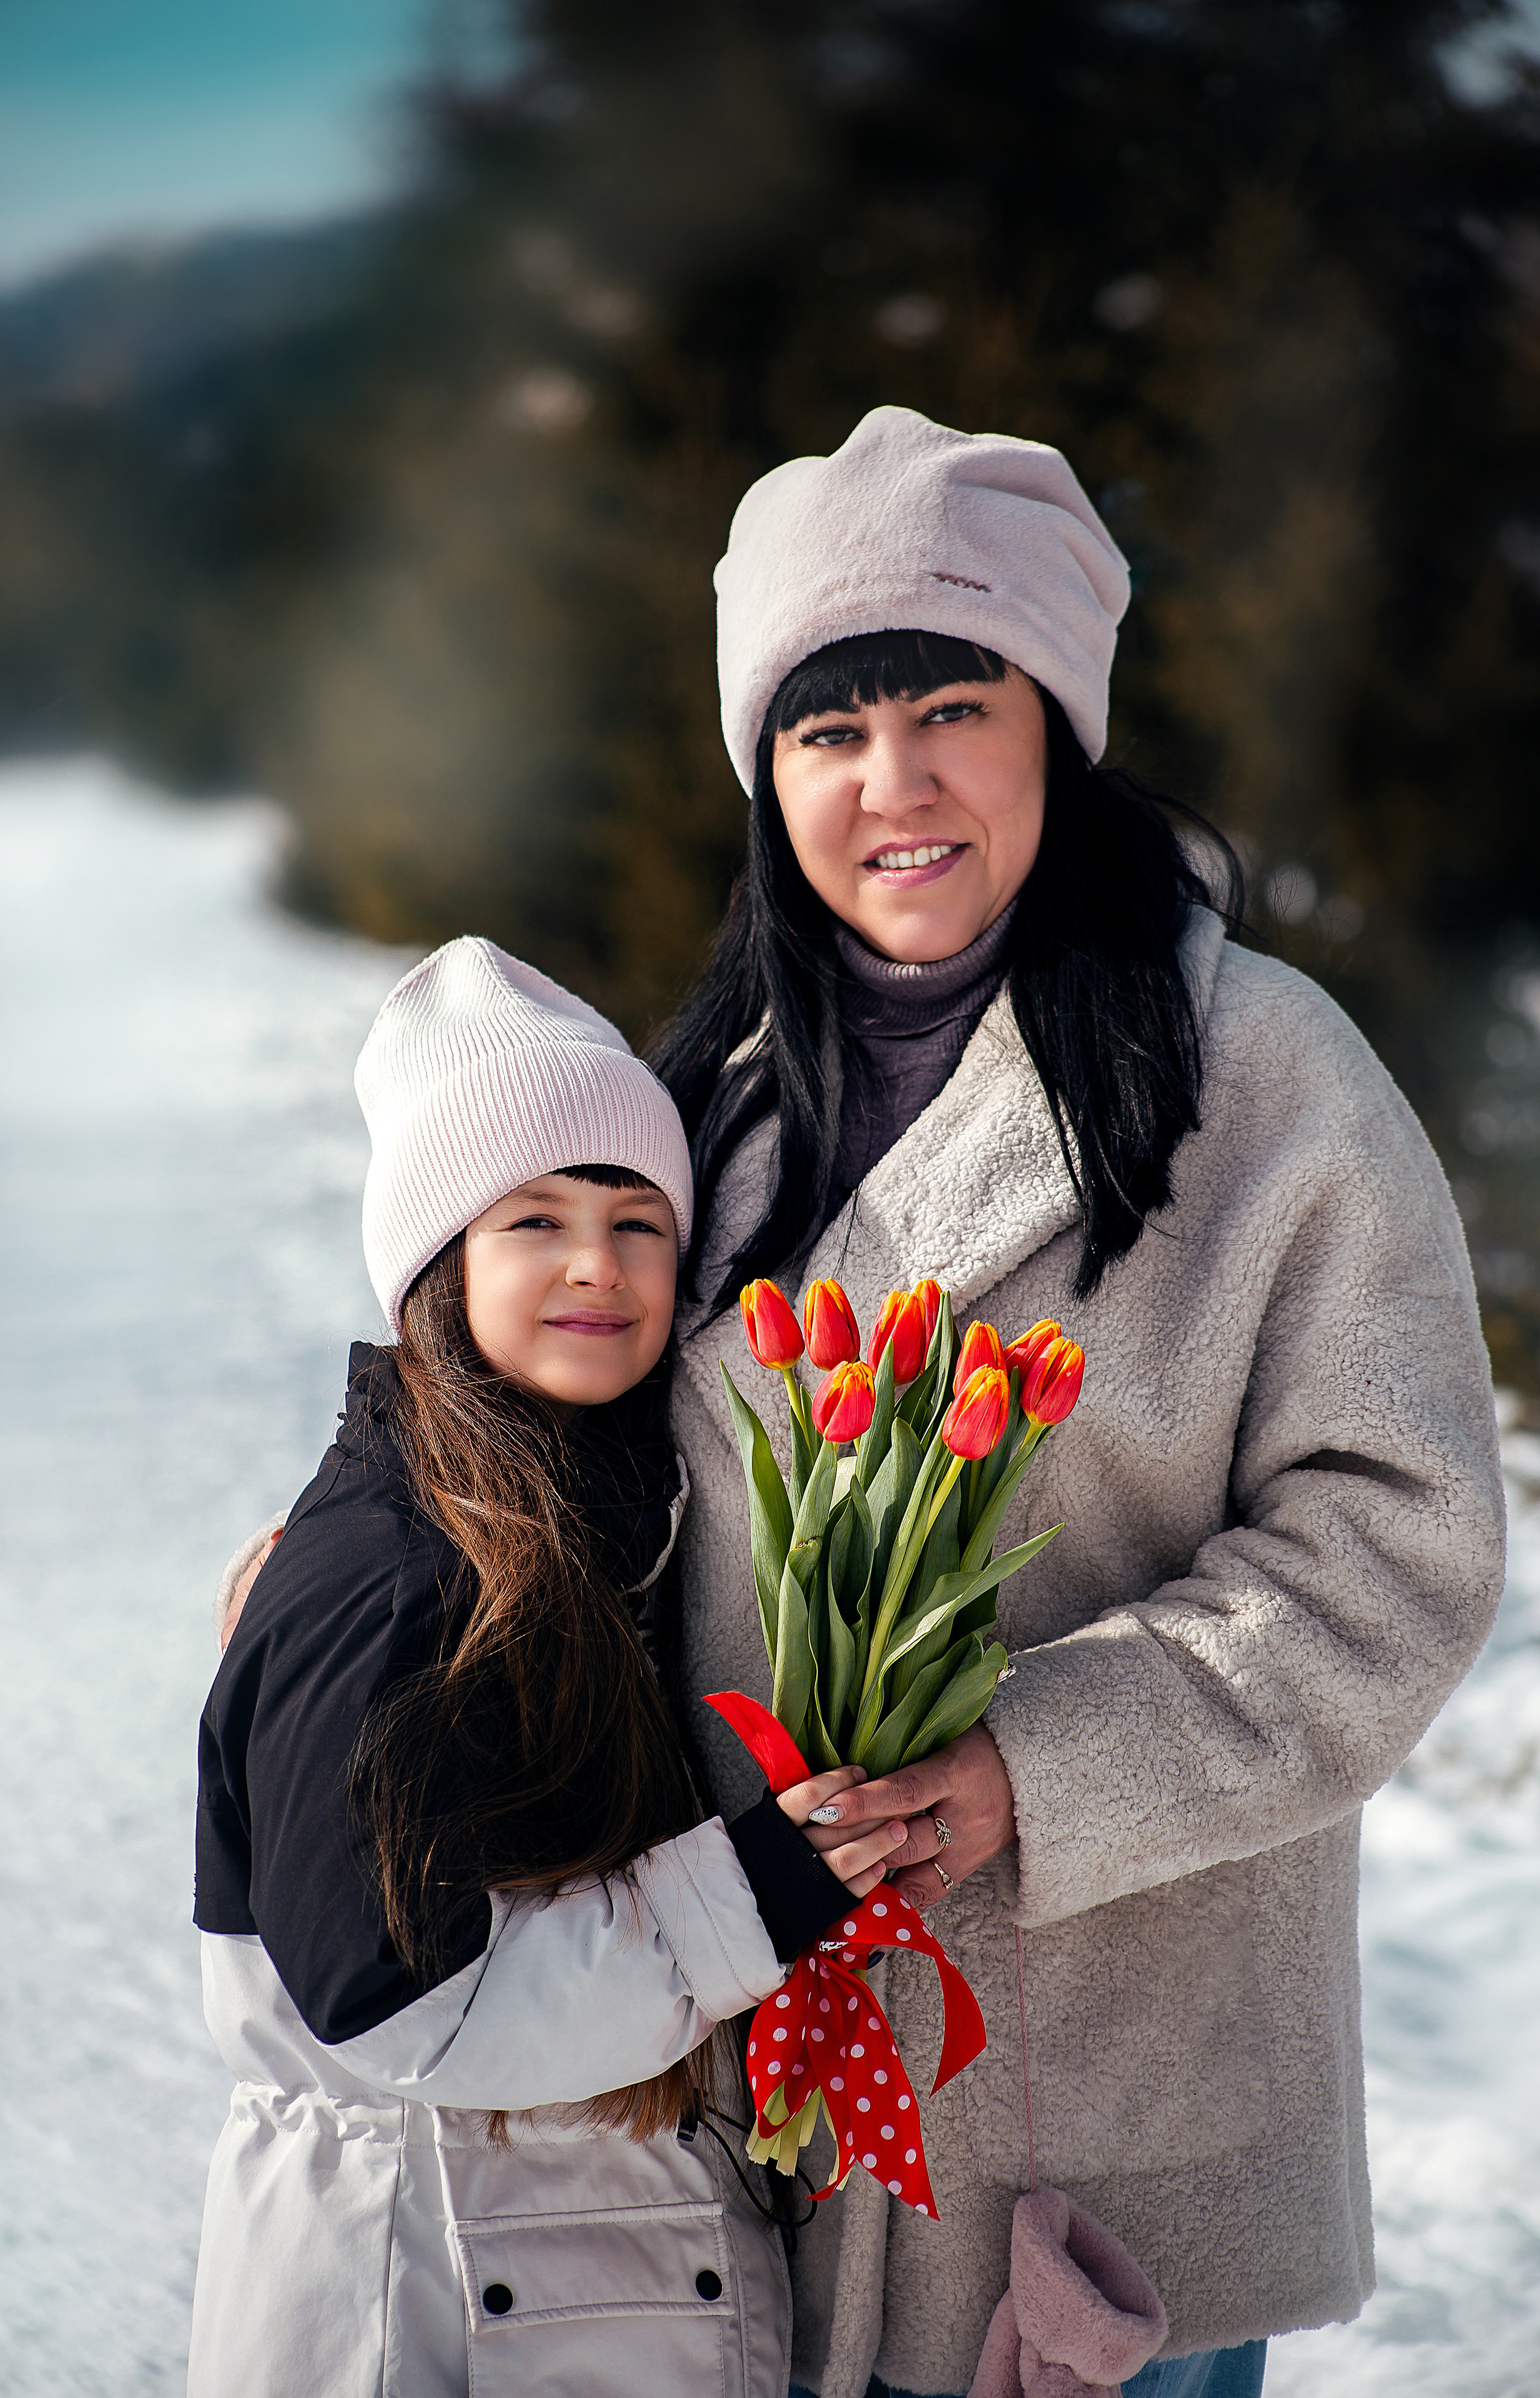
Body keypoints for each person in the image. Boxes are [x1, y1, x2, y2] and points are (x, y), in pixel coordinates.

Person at [649, 407, 1506, 2398]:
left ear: (1058, 723)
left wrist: (1033, 1768)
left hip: (1111, 2125)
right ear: (765, 774)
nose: (895, 785)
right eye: (825, 733)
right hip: (762, 2126)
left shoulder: (1258, 1076)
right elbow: (574, 1444)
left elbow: (1404, 1540)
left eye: (954, 706)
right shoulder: (714, 1109)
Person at [189, 935, 922, 2398]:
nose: (597, 1264)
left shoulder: (579, 1523)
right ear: (436, 1264)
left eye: (637, 1220)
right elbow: (408, 2008)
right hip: (422, 2296)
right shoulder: (399, 1583)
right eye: (533, 1219)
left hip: (547, 2271)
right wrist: (761, 1891)